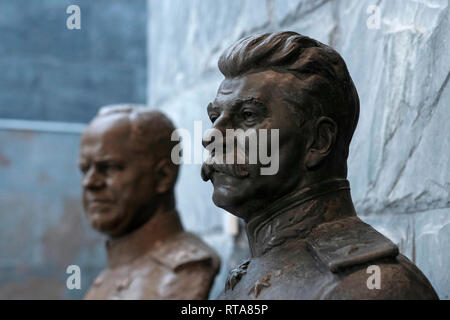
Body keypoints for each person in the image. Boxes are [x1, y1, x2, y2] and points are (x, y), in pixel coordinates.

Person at [201, 32, 438, 299]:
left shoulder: (370, 286)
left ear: (318, 141)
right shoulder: (256, 270)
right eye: (214, 117)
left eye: (247, 116)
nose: (210, 136)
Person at [80, 104, 220, 299]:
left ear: (163, 176)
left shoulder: (183, 270)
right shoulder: (109, 275)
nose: (89, 183)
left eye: (109, 167)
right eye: (85, 169)